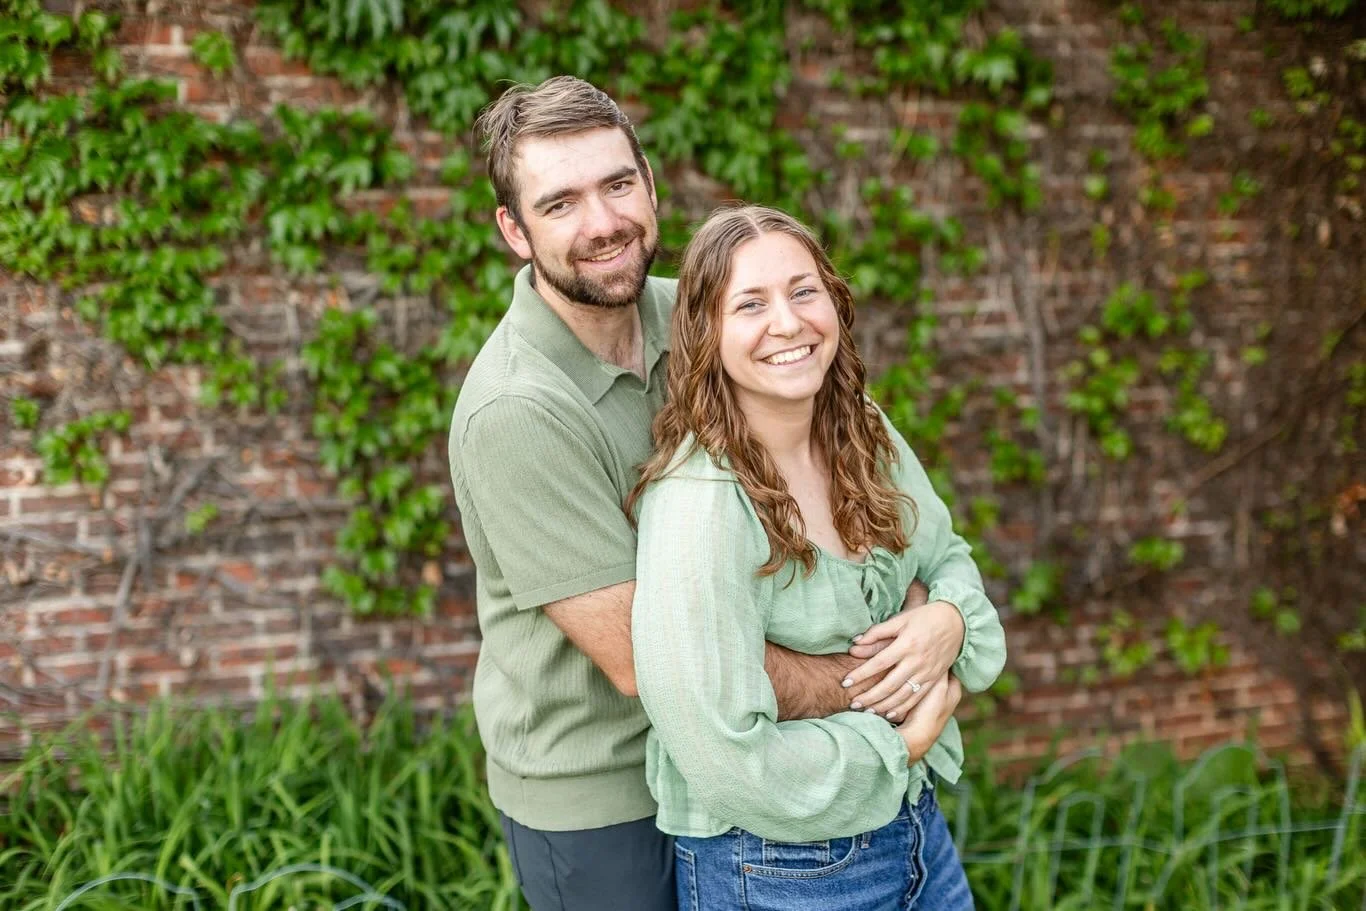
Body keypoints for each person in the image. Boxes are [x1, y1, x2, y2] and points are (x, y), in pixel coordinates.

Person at [448, 77, 947, 911]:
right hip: (604, 798)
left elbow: (855, 483)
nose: (602, 221)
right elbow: (653, 662)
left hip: (752, 771)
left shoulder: (706, 319)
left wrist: (943, 618)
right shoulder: (516, 412)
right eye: (560, 203)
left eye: (617, 184)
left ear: (650, 184)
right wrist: (892, 679)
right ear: (514, 230)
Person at [627, 205, 1008, 910]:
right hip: (776, 867)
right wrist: (899, 745)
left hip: (916, 830)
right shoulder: (700, 503)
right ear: (706, 332)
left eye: (803, 291)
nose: (788, 322)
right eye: (750, 304)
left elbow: (947, 555)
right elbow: (722, 755)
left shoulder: (861, 430)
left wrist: (949, 622)